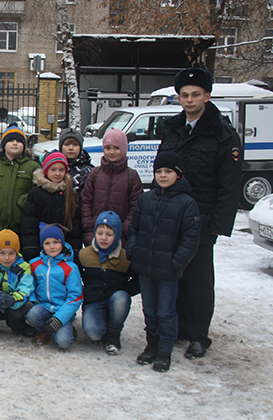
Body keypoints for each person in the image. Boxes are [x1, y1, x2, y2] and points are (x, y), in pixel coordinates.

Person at [157, 67, 242, 359]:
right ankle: (179, 326)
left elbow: (229, 186)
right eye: (184, 95)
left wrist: (218, 225)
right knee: (173, 275)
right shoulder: (172, 129)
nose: (189, 100)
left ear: (207, 95)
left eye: (195, 94)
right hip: (170, 215)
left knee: (198, 280)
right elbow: (161, 171)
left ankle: (198, 335)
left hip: (201, 218)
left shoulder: (223, 135)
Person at [127, 151, 201, 372]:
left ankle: (165, 350)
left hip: (168, 271)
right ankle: (152, 345)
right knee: (149, 310)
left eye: (168, 171)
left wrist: (176, 262)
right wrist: (133, 251)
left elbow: (190, 238)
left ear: (178, 175)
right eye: (159, 171)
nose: (162, 175)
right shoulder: (146, 198)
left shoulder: (186, 203)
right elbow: (134, 228)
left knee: (166, 312)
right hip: (146, 267)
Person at [0, 124, 40, 250]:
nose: (15, 143)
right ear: (4, 144)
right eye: (10, 140)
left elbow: (37, 191)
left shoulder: (32, 167)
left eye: (19, 141)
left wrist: (23, 203)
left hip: (20, 223)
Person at [79, 211, 134, 355]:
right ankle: (102, 323)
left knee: (121, 298)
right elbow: (73, 278)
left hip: (114, 298)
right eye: (100, 233)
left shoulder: (125, 257)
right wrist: (85, 291)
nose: (103, 238)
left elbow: (137, 281)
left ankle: (113, 334)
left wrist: (122, 290)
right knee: (93, 333)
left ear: (117, 235)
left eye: (109, 234)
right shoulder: (84, 255)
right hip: (93, 301)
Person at [80, 128, 143, 247]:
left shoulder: (131, 176)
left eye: (116, 148)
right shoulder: (95, 173)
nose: (112, 152)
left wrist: (124, 229)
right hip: (95, 234)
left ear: (123, 149)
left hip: (120, 237)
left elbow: (136, 206)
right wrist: (88, 223)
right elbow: (86, 201)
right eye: (108, 148)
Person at [26, 223, 83, 349]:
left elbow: (76, 297)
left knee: (64, 342)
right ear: (42, 245)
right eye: (47, 243)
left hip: (62, 310)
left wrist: (60, 318)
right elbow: (30, 286)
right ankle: (44, 331)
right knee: (32, 315)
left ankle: (67, 328)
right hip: (43, 306)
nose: (52, 247)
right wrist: (31, 301)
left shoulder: (70, 267)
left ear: (62, 243)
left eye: (55, 242)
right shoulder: (35, 264)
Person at [20, 151, 82, 262]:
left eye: (61, 170)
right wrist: (31, 248)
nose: (57, 173)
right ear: (46, 171)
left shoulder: (70, 193)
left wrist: (75, 248)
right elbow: (29, 222)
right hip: (42, 248)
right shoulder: (37, 192)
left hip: (64, 249)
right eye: (53, 170)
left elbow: (75, 224)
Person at [59, 127, 94, 195]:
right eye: (67, 144)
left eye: (75, 144)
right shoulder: (54, 167)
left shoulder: (88, 172)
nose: (71, 148)